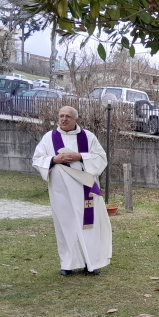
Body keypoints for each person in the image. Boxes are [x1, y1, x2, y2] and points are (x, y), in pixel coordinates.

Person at [32, 106, 112, 276]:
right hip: (60, 192)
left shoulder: (88, 137)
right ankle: (67, 264)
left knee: (88, 225)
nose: (64, 119)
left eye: (68, 116)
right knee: (65, 225)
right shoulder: (49, 138)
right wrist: (54, 159)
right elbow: (37, 159)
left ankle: (90, 263)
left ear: (77, 120)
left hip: (85, 190)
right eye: (61, 116)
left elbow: (101, 158)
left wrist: (81, 156)